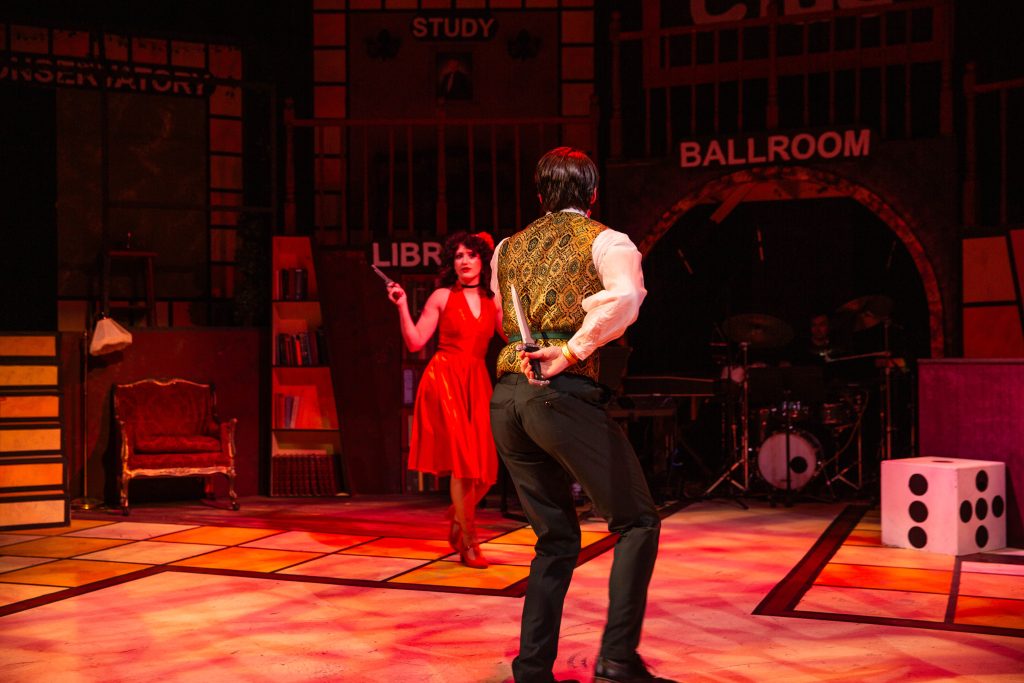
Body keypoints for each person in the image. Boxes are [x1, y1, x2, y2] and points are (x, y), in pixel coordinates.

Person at [489, 147, 674, 683]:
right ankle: (617, 660)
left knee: (555, 538)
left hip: (507, 398)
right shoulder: (607, 241)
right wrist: (571, 350)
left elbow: (504, 316)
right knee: (637, 521)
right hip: (558, 394)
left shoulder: (507, 248)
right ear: (593, 194)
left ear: (540, 196)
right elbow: (624, 300)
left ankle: (531, 669)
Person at [386, 231, 502, 569]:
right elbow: (415, 342)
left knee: (487, 472)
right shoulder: (441, 296)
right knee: (464, 464)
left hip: (477, 382)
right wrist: (402, 305)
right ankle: (469, 541)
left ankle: (457, 515)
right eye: (458, 255)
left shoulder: (493, 301)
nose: (464, 260)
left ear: (482, 260)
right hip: (445, 380)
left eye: (471, 254)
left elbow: (514, 338)